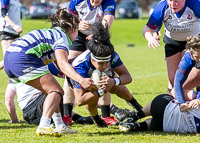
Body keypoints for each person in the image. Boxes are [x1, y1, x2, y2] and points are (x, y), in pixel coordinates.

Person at [4, 8, 95, 137]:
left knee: (54, 90)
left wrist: (71, 77)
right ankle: (44, 125)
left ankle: (59, 125)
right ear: (70, 29)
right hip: (23, 58)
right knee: (56, 91)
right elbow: (63, 64)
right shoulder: (61, 37)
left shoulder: (52, 33)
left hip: (10, 57)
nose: (79, 33)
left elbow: (60, 65)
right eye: (77, 30)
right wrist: (81, 80)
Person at [69, 20, 142, 127]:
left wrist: (114, 81)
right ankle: (96, 118)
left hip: (104, 81)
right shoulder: (80, 66)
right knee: (92, 99)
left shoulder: (111, 54)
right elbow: (80, 100)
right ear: (92, 60)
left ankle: (138, 107)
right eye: (101, 63)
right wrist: (101, 91)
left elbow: (127, 77)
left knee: (118, 87)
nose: (104, 66)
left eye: (107, 62)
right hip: (84, 81)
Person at [62, 0, 116, 125]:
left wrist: (98, 34)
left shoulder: (109, 2)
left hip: (99, 36)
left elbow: (107, 20)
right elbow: (70, 19)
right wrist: (77, 25)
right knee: (71, 71)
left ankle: (105, 115)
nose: (95, 1)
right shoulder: (76, 1)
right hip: (79, 36)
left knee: (105, 71)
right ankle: (67, 115)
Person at [5, 62, 93, 125]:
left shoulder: (14, 74)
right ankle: (66, 117)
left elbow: (8, 99)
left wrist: (14, 120)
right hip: (41, 109)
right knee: (56, 92)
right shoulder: (42, 64)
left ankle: (75, 117)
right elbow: (66, 75)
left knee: (53, 94)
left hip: (29, 116)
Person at [142, 0, 200, 93]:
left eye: (176, 1)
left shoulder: (195, 4)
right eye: (170, 0)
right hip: (172, 42)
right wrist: (150, 38)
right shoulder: (163, 7)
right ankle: (178, 103)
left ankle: (195, 100)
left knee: (190, 77)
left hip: (192, 42)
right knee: (174, 80)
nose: (173, 4)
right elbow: (146, 28)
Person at [119, 93, 200, 133]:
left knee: (168, 95)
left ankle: (135, 117)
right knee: (154, 123)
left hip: (162, 107)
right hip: (165, 127)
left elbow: (177, 91)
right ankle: (137, 126)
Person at [173, 34, 200, 104]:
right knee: (174, 92)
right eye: (197, 57)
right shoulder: (187, 58)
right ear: (191, 53)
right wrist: (181, 103)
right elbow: (178, 81)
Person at [0, 0, 22, 70]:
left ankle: (15, 80)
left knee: (19, 58)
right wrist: (14, 26)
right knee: (8, 60)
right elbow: (3, 13)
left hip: (16, 32)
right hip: (6, 30)